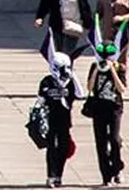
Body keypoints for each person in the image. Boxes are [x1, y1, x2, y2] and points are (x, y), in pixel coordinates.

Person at [37, 54, 82, 188]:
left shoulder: (70, 82)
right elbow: (40, 99)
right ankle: (50, 175)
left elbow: (80, 94)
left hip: (64, 120)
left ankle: (59, 176)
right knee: (51, 148)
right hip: (50, 120)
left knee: (63, 148)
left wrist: (73, 76)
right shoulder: (47, 81)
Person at [84, 45, 126, 187]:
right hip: (99, 108)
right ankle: (106, 176)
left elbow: (122, 89)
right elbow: (89, 88)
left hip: (114, 108)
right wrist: (96, 70)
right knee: (101, 143)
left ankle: (117, 168)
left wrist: (113, 70)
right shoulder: (94, 66)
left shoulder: (120, 67)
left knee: (114, 139)